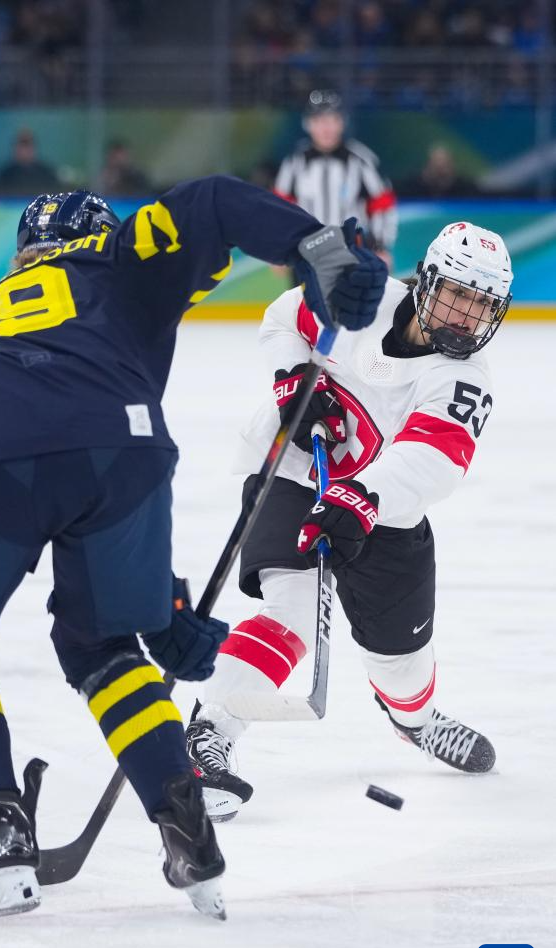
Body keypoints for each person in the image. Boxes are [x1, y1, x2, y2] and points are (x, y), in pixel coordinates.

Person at [0, 176, 388, 922]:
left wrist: (164, 603)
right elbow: (213, 202)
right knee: (103, 646)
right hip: (127, 450)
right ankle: (186, 822)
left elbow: (31, 433)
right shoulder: (120, 254)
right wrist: (316, 247)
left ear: (25, 253)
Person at [186, 221, 513, 822]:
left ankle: (415, 722)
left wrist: (363, 495)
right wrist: (293, 382)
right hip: (294, 473)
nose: (468, 316)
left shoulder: (465, 380)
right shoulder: (363, 299)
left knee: (401, 660)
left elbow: (434, 459)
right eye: (458, 295)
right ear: (426, 282)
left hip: (384, 510)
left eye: (482, 305)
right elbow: (284, 319)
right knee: (291, 613)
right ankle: (210, 734)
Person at [275, 89, 397, 267]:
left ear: (342, 123)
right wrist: (280, 248)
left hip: (354, 254)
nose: (326, 128)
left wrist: (381, 246)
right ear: (308, 124)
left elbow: (382, 204)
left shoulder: (361, 160)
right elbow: (280, 208)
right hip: (307, 255)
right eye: (319, 121)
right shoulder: (294, 162)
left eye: (333, 120)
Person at [0, 128, 62, 197]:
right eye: (21, 146)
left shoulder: (47, 174)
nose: (24, 151)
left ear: (34, 148)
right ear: (15, 148)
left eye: (27, 146)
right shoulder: (5, 175)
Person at [399, 144, 481, 199]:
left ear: (452, 166)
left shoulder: (465, 189)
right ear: (427, 166)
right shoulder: (412, 188)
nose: (440, 173)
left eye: (445, 166)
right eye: (436, 167)